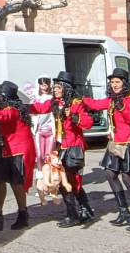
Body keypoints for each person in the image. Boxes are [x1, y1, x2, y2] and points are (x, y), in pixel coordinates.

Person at [82, 69, 130, 231]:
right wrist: (80, 99)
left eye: (117, 82)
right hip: (117, 143)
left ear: (124, 83)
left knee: (128, 179)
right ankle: (124, 211)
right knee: (109, 173)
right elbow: (96, 104)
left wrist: (121, 105)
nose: (114, 85)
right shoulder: (112, 99)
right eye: (112, 82)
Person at [30, 72, 95, 228]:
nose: (55, 90)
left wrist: (74, 117)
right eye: (55, 87)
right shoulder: (55, 102)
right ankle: (81, 211)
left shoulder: (76, 103)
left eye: (58, 87)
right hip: (61, 147)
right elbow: (39, 108)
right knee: (62, 180)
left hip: (74, 146)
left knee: (72, 181)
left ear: (66, 88)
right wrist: (21, 107)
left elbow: (88, 122)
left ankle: (78, 212)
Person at [0, 82, 37, 231]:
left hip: (18, 150)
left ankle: (23, 214)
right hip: (9, 148)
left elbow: (0, 115)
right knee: (0, 180)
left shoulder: (12, 110)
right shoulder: (14, 108)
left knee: (16, 182)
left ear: (5, 97)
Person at [29, 77, 57, 206]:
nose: (43, 85)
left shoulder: (53, 97)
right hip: (39, 131)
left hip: (51, 130)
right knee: (39, 157)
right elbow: (33, 112)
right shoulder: (35, 96)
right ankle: (41, 185)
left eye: (45, 83)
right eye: (41, 83)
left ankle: (51, 185)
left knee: (49, 157)